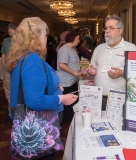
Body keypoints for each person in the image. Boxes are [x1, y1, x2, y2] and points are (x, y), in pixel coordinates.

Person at [6, 17, 77, 160]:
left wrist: (54, 86)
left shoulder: (21, 56)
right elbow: (34, 100)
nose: (47, 38)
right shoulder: (32, 59)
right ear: (36, 37)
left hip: (25, 123)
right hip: (36, 127)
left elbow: (27, 86)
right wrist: (61, 98)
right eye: (45, 34)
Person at [87, 14, 136, 110]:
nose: (107, 31)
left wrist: (122, 73)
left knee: (117, 124)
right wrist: (92, 70)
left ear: (120, 30)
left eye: (111, 28)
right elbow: (93, 66)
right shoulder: (99, 48)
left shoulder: (131, 48)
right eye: (106, 28)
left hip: (120, 99)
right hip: (98, 97)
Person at [56, 31, 80, 123]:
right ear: (72, 39)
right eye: (77, 39)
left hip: (72, 80)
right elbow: (61, 64)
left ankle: (69, 119)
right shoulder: (64, 49)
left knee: (73, 100)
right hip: (65, 81)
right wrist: (74, 72)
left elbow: (73, 63)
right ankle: (62, 122)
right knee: (66, 103)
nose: (78, 41)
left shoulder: (72, 49)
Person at [1, 22, 18, 122]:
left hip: (17, 70)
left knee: (17, 90)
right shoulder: (6, 41)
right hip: (7, 70)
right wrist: (4, 67)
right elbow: (3, 55)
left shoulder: (21, 41)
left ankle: (18, 113)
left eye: (11, 28)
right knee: (8, 92)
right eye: (8, 29)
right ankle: (10, 113)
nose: (9, 30)